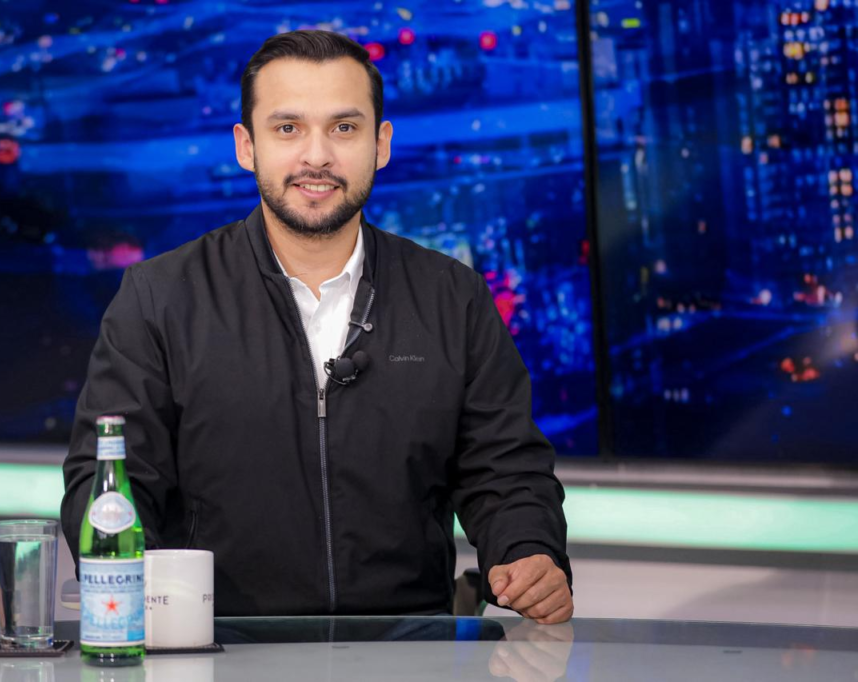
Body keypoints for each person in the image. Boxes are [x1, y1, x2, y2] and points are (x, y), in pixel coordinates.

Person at [61, 29, 573, 622]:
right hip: (217, 645)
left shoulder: (451, 297)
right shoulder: (159, 298)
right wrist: (147, 600)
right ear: (246, 146)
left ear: (381, 144)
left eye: (344, 128)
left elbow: (506, 469)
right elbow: (111, 480)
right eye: (288, 128)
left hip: (409, 648)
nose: (317, 156)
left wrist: (528, 549)